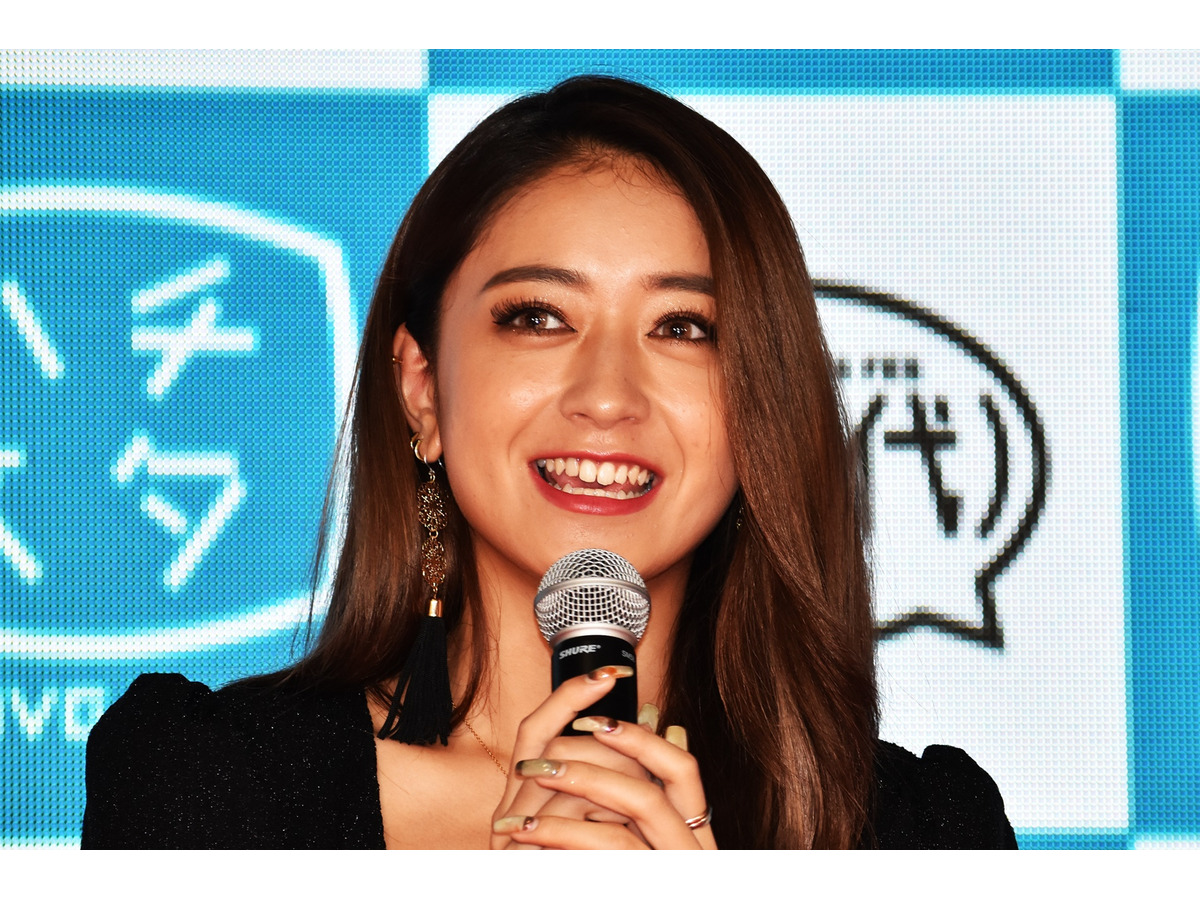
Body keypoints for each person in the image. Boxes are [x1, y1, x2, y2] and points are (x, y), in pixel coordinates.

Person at [81, 75, 1017, 850]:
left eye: (683, 327)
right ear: (422, 388)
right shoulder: (206, 793)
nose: (607, 396)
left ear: (758, 408)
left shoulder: (922, 837)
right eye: (538, 317)